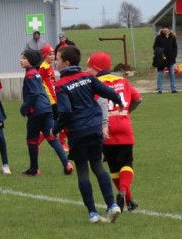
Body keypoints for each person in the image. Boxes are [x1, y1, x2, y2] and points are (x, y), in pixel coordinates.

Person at [54, 45, 125, 223]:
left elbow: (66, 112)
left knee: (82, 170)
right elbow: (107, 92)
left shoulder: (61, 84)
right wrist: (119, 101)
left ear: (66, 63)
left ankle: (93, 213)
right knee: (98, 166)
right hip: (94, 129)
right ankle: (112, 205)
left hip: (78, 132)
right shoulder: (87, 76)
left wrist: (54, 129)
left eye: (57, 59)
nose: (55, 62)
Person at [87, 51, 142, 211]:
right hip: (124, 125)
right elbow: (138, 99)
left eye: (89, 67)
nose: (87, 70)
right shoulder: (122, 80)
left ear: (96, 68)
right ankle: (126, 195)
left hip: (104, 127)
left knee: (113, 166)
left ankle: (127, 197)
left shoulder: (93, 83)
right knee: (127, 163)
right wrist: (127, 111)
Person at [20, 48, 73, 177]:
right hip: (46, 108)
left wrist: (24, 107)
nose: (21, 60)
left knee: (32, 140)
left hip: (36, 111)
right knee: (51, 136)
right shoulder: (36, 73)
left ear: (31, 60)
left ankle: (34, 169)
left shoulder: (30, 74)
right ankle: (66, 163)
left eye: (24, 58)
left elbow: (34, 94)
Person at [39, 44, 68, 152]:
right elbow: (40, 83)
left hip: (54, 99)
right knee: (62, 120)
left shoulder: (48, 66)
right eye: (50, 54)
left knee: (56, 122)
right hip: (51, 100)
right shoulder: (43, 67)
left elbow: (51, 83)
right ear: (44, 55)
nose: (52, 57)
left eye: (53, 54)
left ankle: (37, 143)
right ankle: (61, 143)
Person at [153, 24, 178, 93]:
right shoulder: (158, 37)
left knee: (172, 74)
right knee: (160, 74)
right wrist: (160, 52)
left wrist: (174, 56)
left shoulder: (172, 37)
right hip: (161, 59)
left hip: (171, 59)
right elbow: (155, 47)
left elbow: (175, 48)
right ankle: (160, 89)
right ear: (162, 30)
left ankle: (173, 89)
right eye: (164, 29)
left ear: (169, 30)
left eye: (167, 29)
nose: (165, 30)